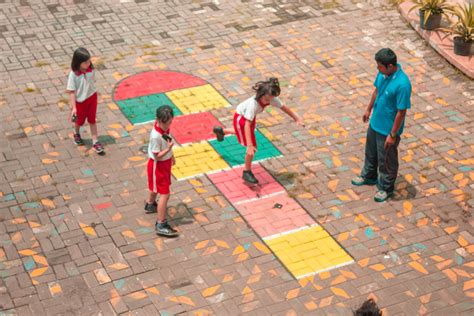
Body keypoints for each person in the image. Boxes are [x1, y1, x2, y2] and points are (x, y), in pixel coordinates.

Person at [213, 77, 304, 184]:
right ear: (260, 95)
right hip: (242, 119)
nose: (269, 102)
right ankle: (247, 172)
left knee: (243, 133)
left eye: (270, 99)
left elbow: (284, 107)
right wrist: (250, 145)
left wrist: (296, 118)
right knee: (252, 147)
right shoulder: (253, 105)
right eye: (266, 100)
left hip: (247, 118)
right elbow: (247, 125)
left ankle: (221, 131)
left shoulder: (270, 97)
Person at [351, 48, 412, 202]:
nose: (377, 69)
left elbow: (401, 112)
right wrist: (368, 109)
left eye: (379, 66)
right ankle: (369, 176)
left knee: (387, 160)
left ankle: (386, 187)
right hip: (375, 123)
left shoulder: (403, 85)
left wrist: (392, 135)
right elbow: (376, 91)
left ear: (390, 66)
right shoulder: (383, 74)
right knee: (370, 153)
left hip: (388, 130)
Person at [144, 105, 178, 237]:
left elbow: (167, 140)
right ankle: (161, 223)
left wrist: (171, 156)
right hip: (157, 165)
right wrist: (169, 150)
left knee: (155, 187)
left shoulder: (163, 127)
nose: (167, 126)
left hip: (165, 163)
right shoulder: (155, 136)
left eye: (170, 122)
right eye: (165, 123)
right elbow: (157, 155)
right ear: (158, 120)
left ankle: (150, 204)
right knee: (165, 194)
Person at [66, 47, 104, 154]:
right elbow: (72, 92)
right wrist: (74, 107)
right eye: (85, 62)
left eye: (89, 61)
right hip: (80, 102)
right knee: (80, 121)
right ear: (78, 62)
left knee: (92, 120)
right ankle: (76, 132)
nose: (88, 63)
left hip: (92, 98)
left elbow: (91, 82)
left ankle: (95, 141)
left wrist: (95, 92)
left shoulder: (91, 70)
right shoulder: (73, 75)